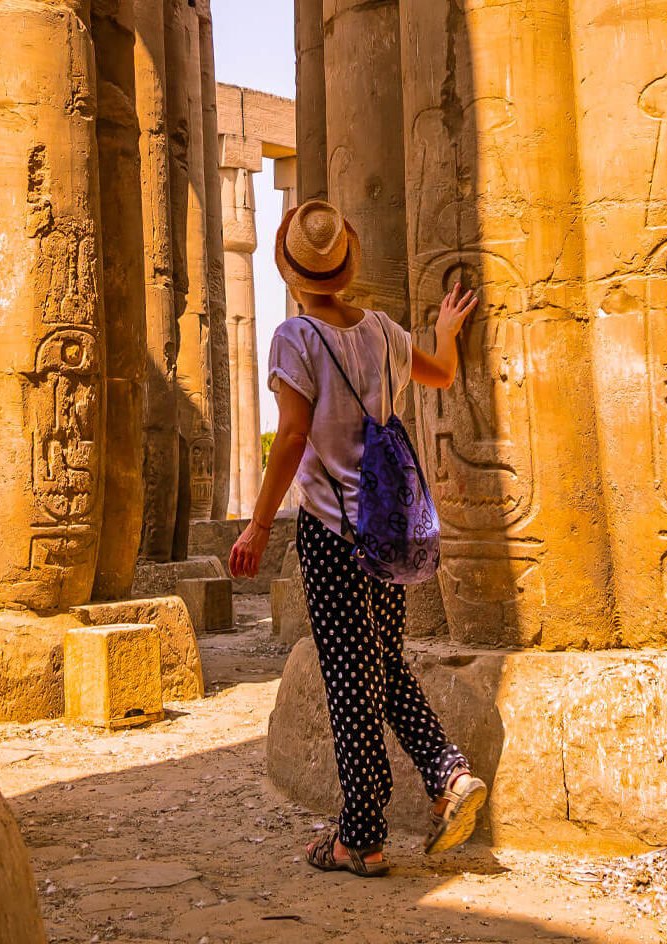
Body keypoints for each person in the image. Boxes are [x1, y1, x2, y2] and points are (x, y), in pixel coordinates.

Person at [228, 200, 485, 878]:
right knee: (382, 661)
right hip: (387, 524)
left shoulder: (296, 339)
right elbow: (440, 374)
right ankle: (448, 775)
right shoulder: (380, 331)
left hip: (333, 531)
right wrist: (446, 331)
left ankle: (362, 837)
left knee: (350, 676)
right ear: (347, 264)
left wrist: (258, 524)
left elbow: (290, 436)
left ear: (291, 270)